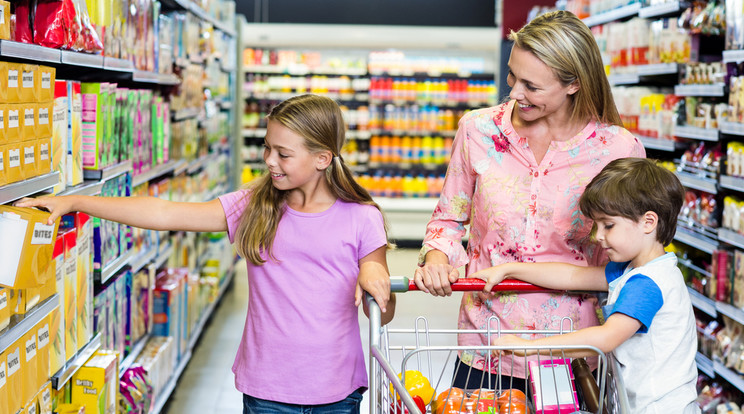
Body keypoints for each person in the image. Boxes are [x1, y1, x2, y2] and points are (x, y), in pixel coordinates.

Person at [17, 94, 396, 414]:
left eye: (283, 153)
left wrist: (378, 281)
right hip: (267, 388)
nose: (269, 160)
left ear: (323, 158)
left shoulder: (362, 218)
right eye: (267, 147)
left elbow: (381, 309)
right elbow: (165, 213)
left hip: (338, 389)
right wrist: (77, 201)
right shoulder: (255, 205)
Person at [412, 9, 646, 390]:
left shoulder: (617, 149)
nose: (514, 93)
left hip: (573, 350)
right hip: (486, 343)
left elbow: (632, 254)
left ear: (574, 84)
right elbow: (448, 221)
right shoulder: (478, 130)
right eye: (512, 75)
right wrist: (437, 256)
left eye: (532, 86)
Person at [472, 157, 699, 413]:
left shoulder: (648, 283)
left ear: (649, 222)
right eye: (596, 225)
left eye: (608, 225)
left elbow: (605, 337)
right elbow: (571, 277)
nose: (598, 236)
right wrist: (510, 269)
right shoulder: (631, 269)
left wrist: (528, 347)